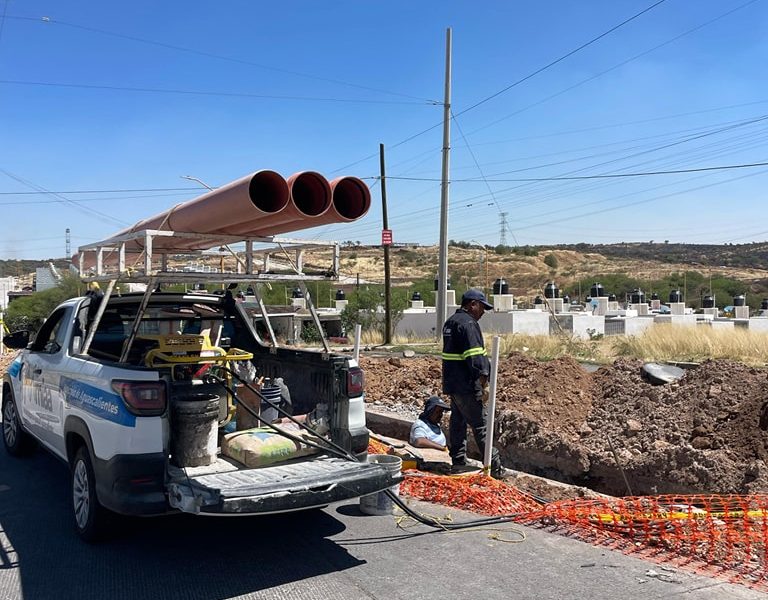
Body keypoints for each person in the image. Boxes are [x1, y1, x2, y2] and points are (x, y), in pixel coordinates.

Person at [442, 288, 505, 478]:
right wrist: (483, 383)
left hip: (453, 383)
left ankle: (459, 461)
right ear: (472, 305)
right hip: (467, 384)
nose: (483, 312)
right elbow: (476, 358)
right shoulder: (468, 324)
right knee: (481, 425)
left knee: (458, 421)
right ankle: (495, 468)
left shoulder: (451, 322)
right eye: (482, 307)